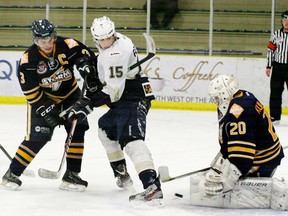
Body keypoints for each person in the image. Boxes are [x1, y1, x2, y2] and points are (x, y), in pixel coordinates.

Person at [67, 16, 163, 204]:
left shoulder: (116, 54)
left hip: (133, 97)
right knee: (105, 129)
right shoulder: (118, 39)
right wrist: (92, 69)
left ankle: (151, 185)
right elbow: (107, 71)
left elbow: (113, 92)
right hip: (127, 94)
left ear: (113, 34)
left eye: (107, 38)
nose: (105, 42)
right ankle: (122, 174)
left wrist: (87, 104)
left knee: (131, 139)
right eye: (101, 40)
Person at [1, 19, 96, 191]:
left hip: (70, 96)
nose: (46, 44)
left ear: (54, 36)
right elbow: (30, 92)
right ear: (35, 40)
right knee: (38, 137)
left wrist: (84, 64)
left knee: (77, 129)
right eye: (41, 41)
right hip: (44, 99)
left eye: (49, 39)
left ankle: (72, 175)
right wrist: (46, 110)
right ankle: (12, 174)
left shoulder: (68, 44)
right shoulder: (28, 60)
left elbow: (88, 57)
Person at [189, 74, 286, 210]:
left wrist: (227, 182)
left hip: (262, 162)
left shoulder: (238, 110)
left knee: (226, 182)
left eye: (217, 97)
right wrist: (222, 160)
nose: (215, 101)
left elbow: (242, 156)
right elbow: (233, 138)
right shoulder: (243, 96)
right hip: (266, 154)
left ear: (224, 93)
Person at [265, 10, 288, 125]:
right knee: (275, 92)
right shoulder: (276, 35)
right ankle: (274, 116)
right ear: (282, 21)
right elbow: (270, 50)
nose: (287, 22)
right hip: (278, 67)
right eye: (285, 20)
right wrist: (269, 66)